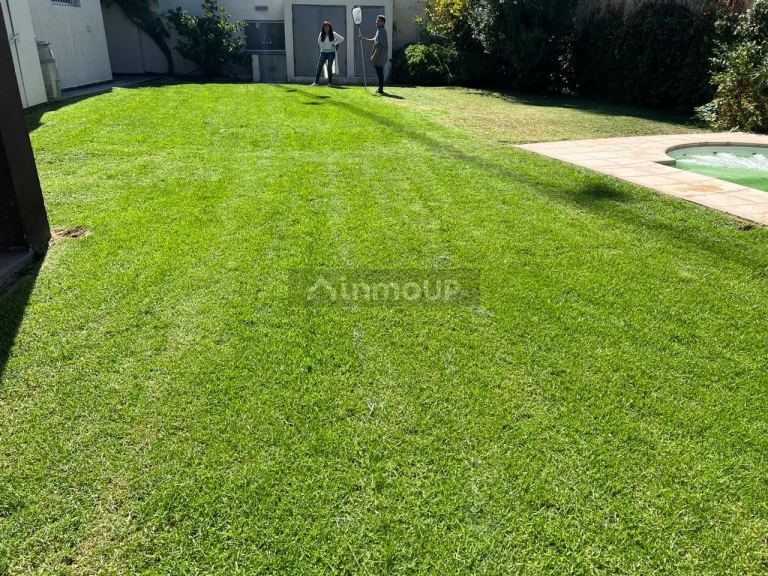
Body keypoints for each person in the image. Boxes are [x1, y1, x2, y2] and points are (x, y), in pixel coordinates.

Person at [360, 15, 388, 94]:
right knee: (379, 72)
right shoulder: (379, 30)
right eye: (376, 20)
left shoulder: (382, 32)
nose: (376, 21)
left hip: (380, 56)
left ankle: (380, 89)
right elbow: (374, 40)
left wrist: (373, 57)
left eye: (378, 20)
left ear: (382, 22)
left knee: (380, 73)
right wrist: (364, 39)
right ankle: (380, 89)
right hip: (379, 56)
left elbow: (379, 47)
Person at [312, 21, 344, 87]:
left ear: (329, 28)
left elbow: (341, 39)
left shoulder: (333, 34)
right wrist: (323, 47)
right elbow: (319, 42)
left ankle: (330, 83)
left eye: (327, 27)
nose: (326, 28)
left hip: (331, 53)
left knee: (329, 67)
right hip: (323, 52)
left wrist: (335, 43)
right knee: (319, 67)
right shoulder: (321, 34)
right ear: (323, 28)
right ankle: (316, 83)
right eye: (325, 27)